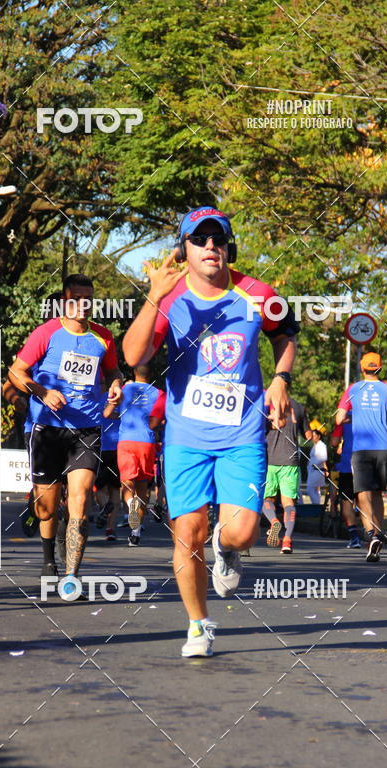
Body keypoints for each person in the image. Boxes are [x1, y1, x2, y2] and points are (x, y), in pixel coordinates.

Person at [123, 206, 298, 657]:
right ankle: (198, 625)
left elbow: (284, 334)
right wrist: (152, 299)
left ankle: (228, 547)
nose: (209, 247)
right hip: (186, 436)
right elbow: (133, 354)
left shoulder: (258, 293)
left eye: (217, 239)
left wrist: (281, 380)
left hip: (241, 432)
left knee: (241, 532)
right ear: (184, 249)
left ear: (227, 245)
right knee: (188, 532)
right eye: (199, 240)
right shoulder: (171, 296)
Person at [9, 273, 122, 584]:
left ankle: (71, 574)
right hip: (47, 428)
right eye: (76, 299)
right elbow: (16, 371)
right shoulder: (46, 333)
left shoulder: (103, 337)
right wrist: (42, 392)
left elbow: (113, 370)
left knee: (81, 499)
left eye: (88, 299)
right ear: (64, 302)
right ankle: (48, 554)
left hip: (86, 429)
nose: (83, 305)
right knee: (47, 508)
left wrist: (115, 385)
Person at [336, 351, 387, 563]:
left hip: (361, 449)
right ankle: (379, 532)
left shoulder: (353, 389)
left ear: (361, 367)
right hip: (384, 448)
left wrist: (352, 416)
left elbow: (339, 418)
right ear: (380, 368)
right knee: (377, 494)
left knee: (362, 494)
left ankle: (371, 535)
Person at [105, 365, 166, 546]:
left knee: (126, 484)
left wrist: (122, 415)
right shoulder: (159, 393)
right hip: (147, 442)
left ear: (134, 373)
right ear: (151, 375)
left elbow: (107, 413)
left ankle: (130, 505)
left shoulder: (124, 389)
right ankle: (136, 531)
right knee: (142, 487)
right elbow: (159, 420)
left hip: (127, 441)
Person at [262, 397, 310, 554]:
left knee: (267, 499)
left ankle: (274, 521)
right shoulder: (299, 406)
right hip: (291, 461)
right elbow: (308, 436)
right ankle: (287, 541)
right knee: (288, 503)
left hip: (270, 460)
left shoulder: (265, 405)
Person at [330, 419, 361, 549]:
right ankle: (374, 536)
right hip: (367, 464)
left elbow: (334, 442)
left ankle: (354, 537)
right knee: (370, 501)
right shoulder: (372, 413)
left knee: (346, 503)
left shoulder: (343, 419)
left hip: (348, 466)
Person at [95, 412, 121, 541]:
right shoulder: (123, 398)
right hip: (119, 448)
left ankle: (104, 506)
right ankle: (110, 529)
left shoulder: (98, 397)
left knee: (100, 488)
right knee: (115, 490)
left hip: (101, 447)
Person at [304, 424, 328, 505]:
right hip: (312, 470)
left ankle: (316, 504)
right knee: (314, 490)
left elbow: (323, 457)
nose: (313, 437)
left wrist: (314, 464)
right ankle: (316, 505)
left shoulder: (322, 445)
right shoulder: (315, 445)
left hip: (317, 470)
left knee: (310, 489)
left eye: (314, 435)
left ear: (319, 436)